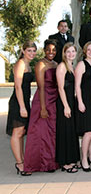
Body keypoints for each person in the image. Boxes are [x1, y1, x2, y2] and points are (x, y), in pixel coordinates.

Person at [23, 39, 59, 174]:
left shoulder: (56, 64)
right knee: (40, 133)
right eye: (48, 49)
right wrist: (43, 108)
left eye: (54, 50)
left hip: (54, 100)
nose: (51, 52)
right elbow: (41, 86)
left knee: (51, 133)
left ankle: (51, 163)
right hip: (43, 100)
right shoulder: (40, 64)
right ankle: (38, 164)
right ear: (44, 50)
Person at [6, 41, 37, 176]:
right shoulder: (20, 64)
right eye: (29, 50)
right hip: (18, 103)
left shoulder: (28, 65)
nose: (32, 53)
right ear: (23, 51)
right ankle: (19, 163)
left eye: (33, 51)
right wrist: (22, 107)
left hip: (24, 101)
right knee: (17, 133)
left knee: (21, 132)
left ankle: (22, 161)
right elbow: (18, 86)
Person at [75, 41, 91, 172]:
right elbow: (77, 85)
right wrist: (80, 101)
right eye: (89, 49)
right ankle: (83, 159)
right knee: (88, 130)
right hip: (85, 100)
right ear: (85, 51)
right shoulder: (81, 64)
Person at [56, 43, 80, 173]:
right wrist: (66, 106)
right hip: (64, 103)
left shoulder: (72, 66)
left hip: (71, 101)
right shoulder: (62, 66)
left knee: (71, 132)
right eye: (68, 52)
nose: (71, 54)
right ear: (64, 53)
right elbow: (60, 88)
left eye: (73, 51)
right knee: (65, 131)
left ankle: (71, 160)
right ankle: (64, 163)